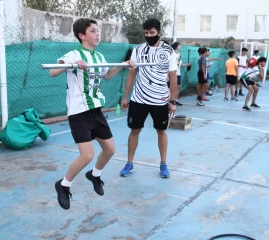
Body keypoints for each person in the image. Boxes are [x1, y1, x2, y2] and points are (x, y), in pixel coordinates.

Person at [48, 18, 134, 210]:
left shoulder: (99, 57)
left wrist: (123, 64)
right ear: (82, 35)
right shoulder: (73, 54)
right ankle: (63, 185)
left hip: (95, 109)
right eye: (93, 31)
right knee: (87, 155)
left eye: (97, 31)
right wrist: (71, 64)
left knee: (110, 149)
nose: (97, 34)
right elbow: (52, 72)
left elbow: (108, 75)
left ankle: (94, 175)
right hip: (79, 112)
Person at [120, 18, 177, 178]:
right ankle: (129, 163)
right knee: (134, 131)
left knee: (161, 132)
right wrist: (126, 97)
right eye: (146, 33)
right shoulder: (138, 49)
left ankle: (163, 163)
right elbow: (132, 74)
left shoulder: (168, 51)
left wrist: (172, 101)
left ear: (159, 33)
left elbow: (173, 78)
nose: (148, 35)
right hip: (139, 99)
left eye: (152, 32)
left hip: (160, 100)